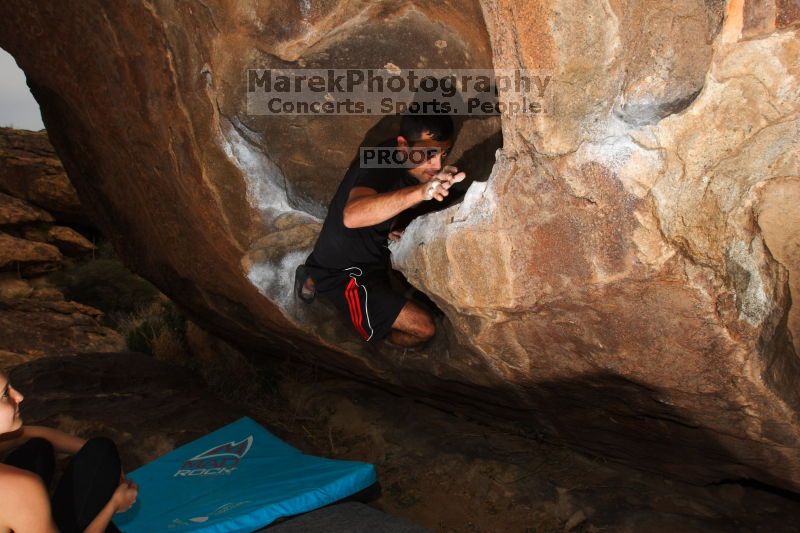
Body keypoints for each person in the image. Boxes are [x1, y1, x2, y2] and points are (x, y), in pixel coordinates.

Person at [296, 112, 465, 348]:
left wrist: (392, 225)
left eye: (443, 153)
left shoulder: (406, 158)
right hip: (347, 272)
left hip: (370, 255)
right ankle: (382, 340)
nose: (436, 165)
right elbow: (352, 215)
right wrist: (423, 192)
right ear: (403, 146)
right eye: (428, 153)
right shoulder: (378, 160)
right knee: (424, 328)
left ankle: (313, 273)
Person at [0, 371, 138, 533]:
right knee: (101, 452)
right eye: (4, 394)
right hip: (18, 499)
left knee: (38, 447)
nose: (19, 396)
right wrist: (113, 505)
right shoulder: (20, 488)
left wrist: (95, 455)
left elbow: (33, 434)